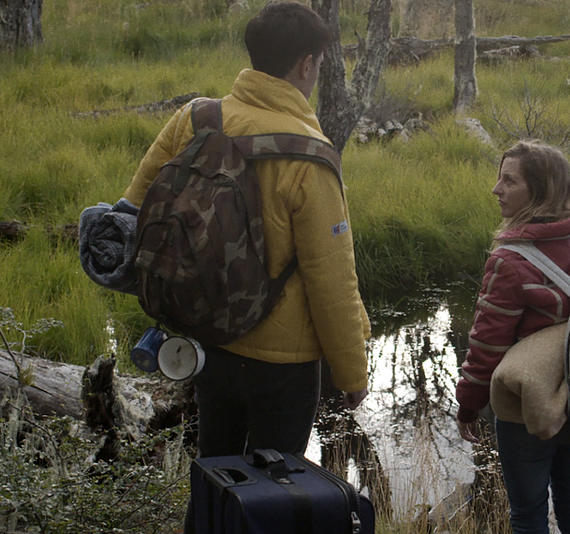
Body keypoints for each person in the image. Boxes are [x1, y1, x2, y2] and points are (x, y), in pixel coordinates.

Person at [119, 1, 370, 529]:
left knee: (213, 475)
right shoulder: (311, 155)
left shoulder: (195, 118)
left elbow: (134, 213)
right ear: (306, 64)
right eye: (319, 64)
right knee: (275, 499)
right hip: (284, 364)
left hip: (206, 340)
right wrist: (352, 372)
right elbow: (333, 281)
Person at [455, 140, 570, 534]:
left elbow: (487, 347)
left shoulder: (510, 262)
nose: (496, 189)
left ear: (540, 190)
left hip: (525, 411)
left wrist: (469, 405)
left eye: (509, 181)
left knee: (528, 514)